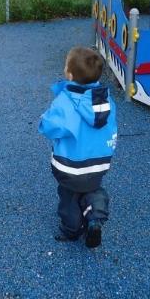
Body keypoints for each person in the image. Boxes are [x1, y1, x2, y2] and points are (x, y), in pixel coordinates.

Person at [38, 47, 117, 248]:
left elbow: (50, 128)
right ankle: (95, 216)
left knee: (69, 196)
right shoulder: (106, 101)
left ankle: (71, 229)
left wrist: (43, 120)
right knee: (92, 187)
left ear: (70, 75)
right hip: (99, 163)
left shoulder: (65, 102)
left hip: (70, 166)